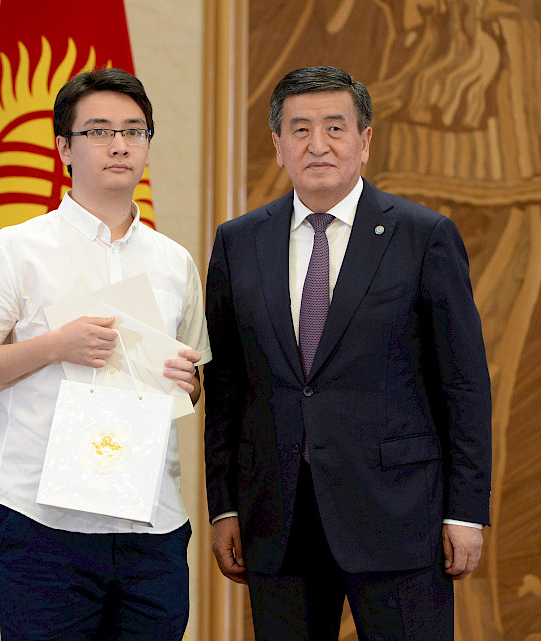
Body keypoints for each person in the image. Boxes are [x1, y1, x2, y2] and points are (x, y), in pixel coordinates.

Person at [204, 65, 491, 640]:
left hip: (399, 515)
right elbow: (227, 385)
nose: (318, 144)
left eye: (335, 128)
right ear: (278, 145)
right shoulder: (239, 241)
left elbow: (463, 384)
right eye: (300, 129)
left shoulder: (424, 236)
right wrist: (225, 505)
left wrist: (465, 511)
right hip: (278, 516)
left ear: (364, 140)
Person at [0, 68, 211, 641]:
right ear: (64, 147)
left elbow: (192, 382)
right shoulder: (19, 249)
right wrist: (54, 346)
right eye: (99, 131)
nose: (120, 145)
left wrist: (187, 382)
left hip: (151, 525)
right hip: (44, 524)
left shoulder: (174, 261)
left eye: (134, 131)